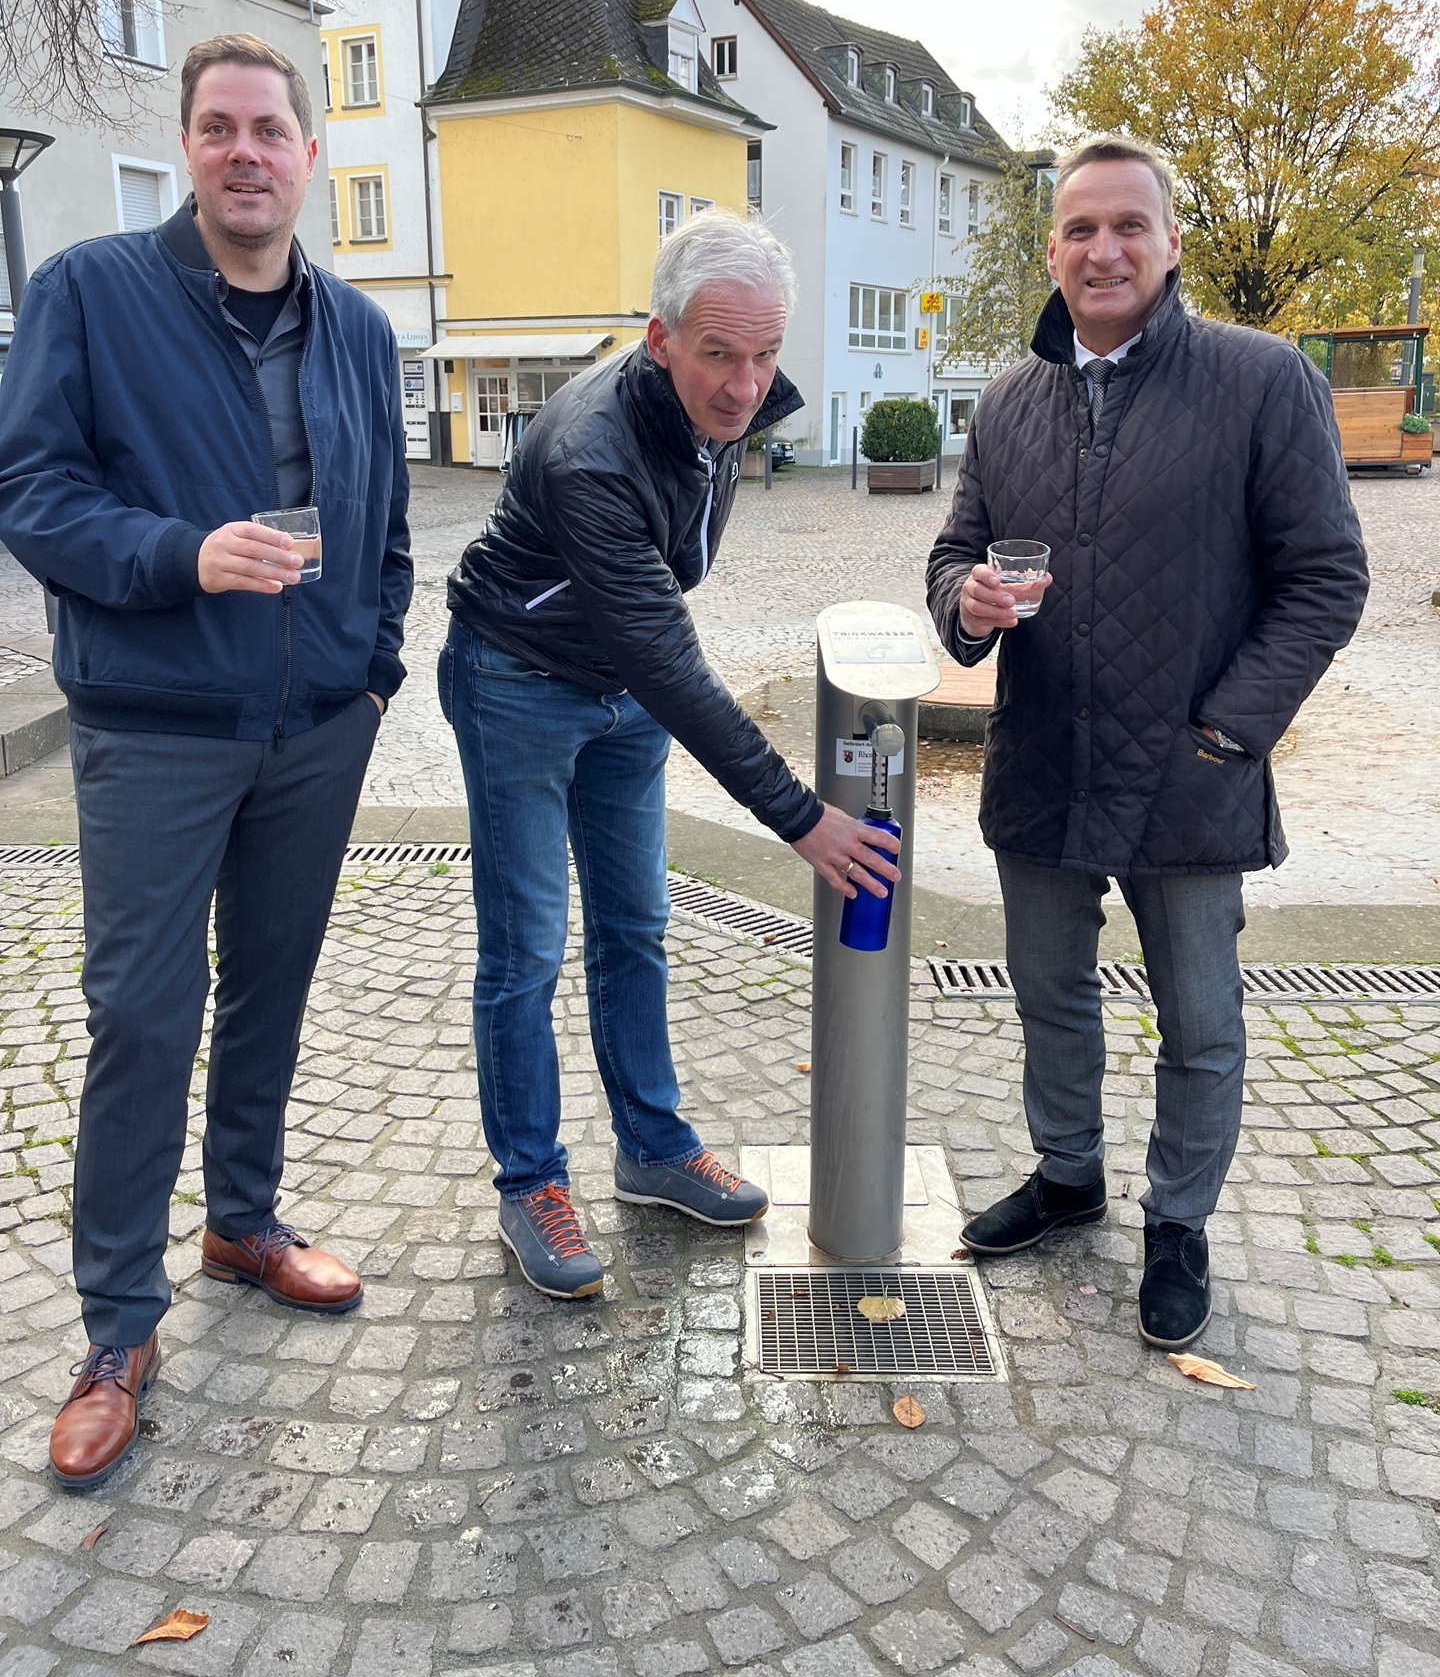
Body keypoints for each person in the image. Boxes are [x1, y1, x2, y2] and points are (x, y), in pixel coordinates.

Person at [0, 33, 412, 1487]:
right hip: (156, 728)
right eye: (221, 128)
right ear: (190, 148)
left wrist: (374, 670)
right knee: (139, 1018)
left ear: (310, 155)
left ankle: (244, 1220)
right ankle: (117, 1328)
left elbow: (390, 522)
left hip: (312, 734)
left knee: (272, 992)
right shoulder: (92, 295)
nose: (248, 152)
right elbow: (31, 495)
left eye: (272, 131)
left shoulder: (358, 330)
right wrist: (180, 556)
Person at [927, 136, 1368, 1349]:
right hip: (1045, 761)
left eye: (1129, 225)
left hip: (1190, 770)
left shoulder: (1262, 380)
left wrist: (1229, 734)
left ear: (1171, 242)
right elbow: (953, 556)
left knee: (1199, 1019)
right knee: (1050, 993)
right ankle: (1069, 1175)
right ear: (1052, 249)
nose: (1103, 249)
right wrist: (963, 603)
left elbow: (1326, 580)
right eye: (1079, 229)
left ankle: (1177, 1222)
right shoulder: (1011, 399)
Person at [443, 209, 899, 1298]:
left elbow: (657, 626)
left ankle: (651, 1147)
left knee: (637, 925)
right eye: (719, 355)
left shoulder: (732, 409)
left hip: (620, 692)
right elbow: (669, 656)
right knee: (527, 948)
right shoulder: (588, 450)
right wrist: (800, 815)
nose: (747, 386)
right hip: (518, 682)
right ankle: (530, 1182)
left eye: (766, 354)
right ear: (660, 340)